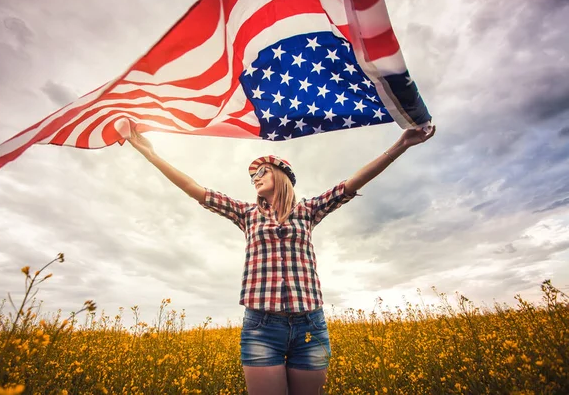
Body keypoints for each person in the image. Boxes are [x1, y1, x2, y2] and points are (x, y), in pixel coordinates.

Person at [127, 124, 436, 395]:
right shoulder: (247, 214)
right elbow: (196, 190)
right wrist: (151, 155)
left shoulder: (308, 211)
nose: (255, 178)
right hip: (261, 325)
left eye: (261, 172)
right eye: (251, 176)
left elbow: (352, 183)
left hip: (310, 324)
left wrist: (401, 145)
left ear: (281, 175)